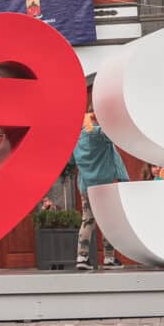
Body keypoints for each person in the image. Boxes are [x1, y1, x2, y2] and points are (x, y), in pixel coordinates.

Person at [70, 111, 129, 270]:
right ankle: (109, 258)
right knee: (108, 222)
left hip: (86, 186)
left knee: (87, 220)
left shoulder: (76, 139)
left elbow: (70, 161)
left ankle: (82, 257)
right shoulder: (96, 133)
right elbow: (113, 134)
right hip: (105, 185)